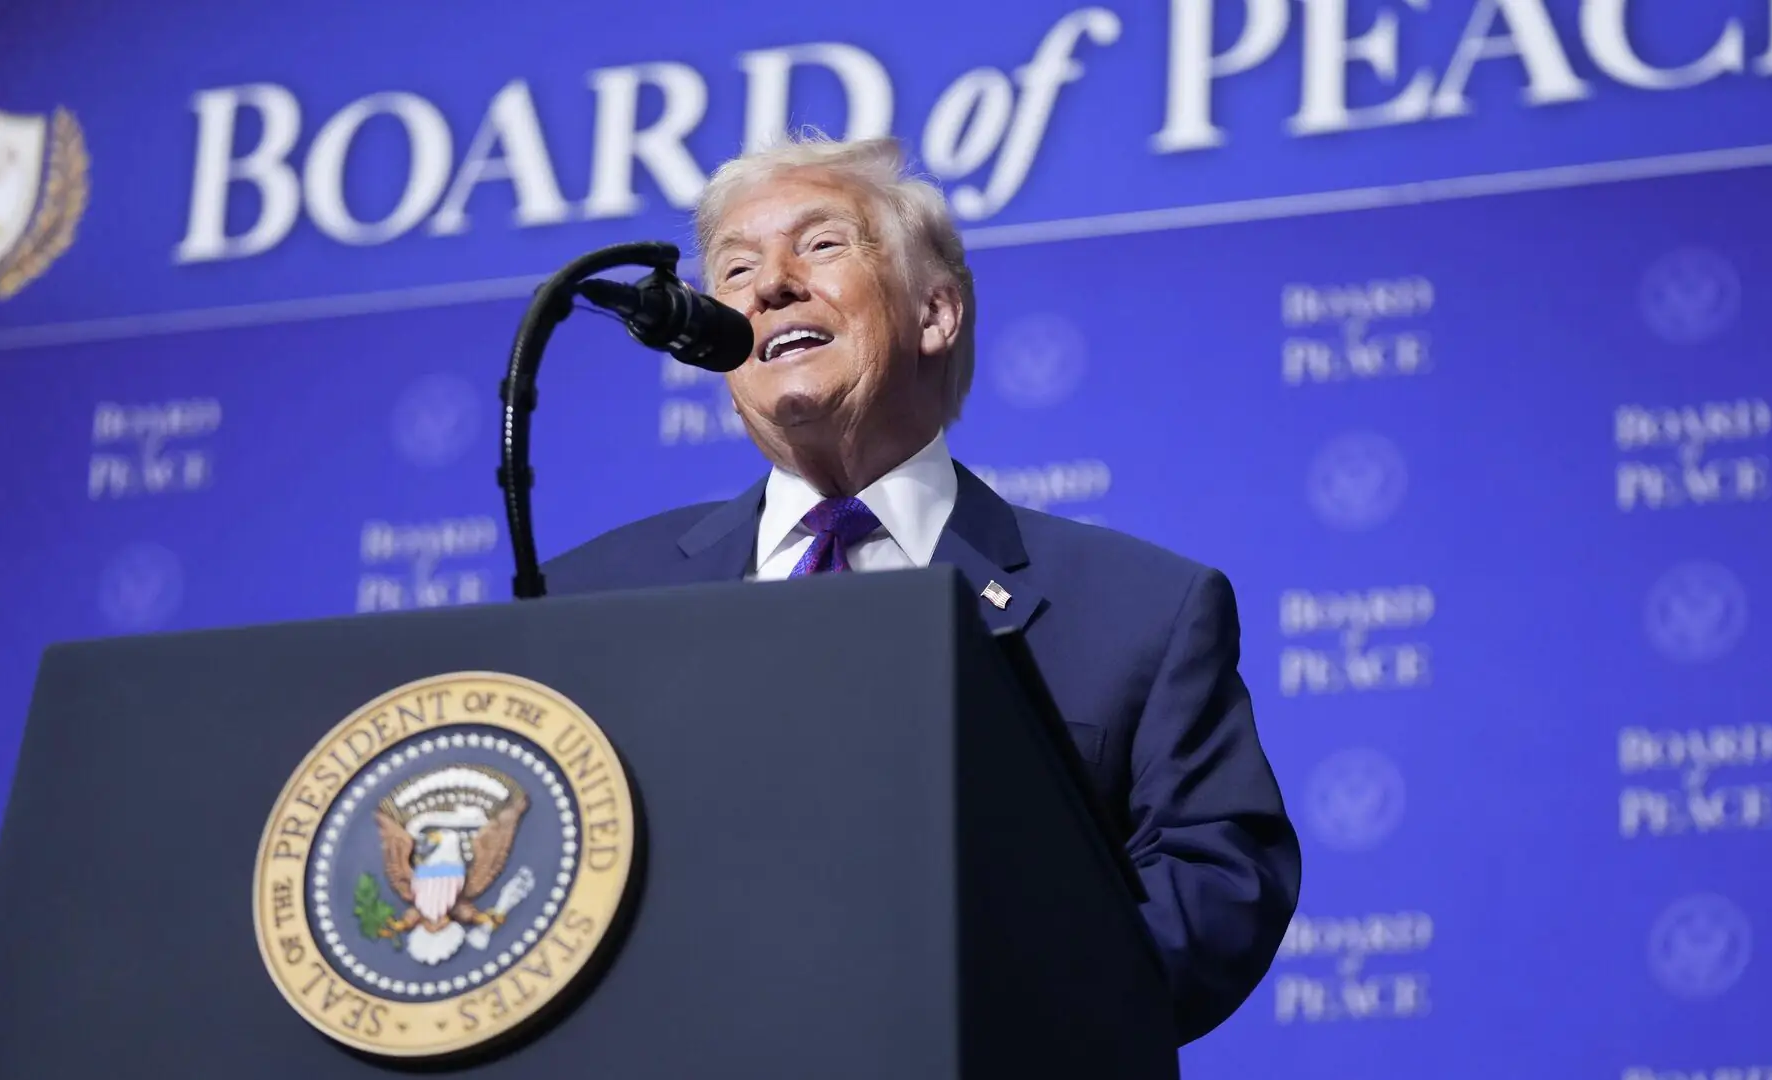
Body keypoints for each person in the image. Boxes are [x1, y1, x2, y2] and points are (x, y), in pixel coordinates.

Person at [542, 134, 1300, 1043]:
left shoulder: (1140, 612)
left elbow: (1218, 887)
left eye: (821, 245)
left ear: (935, 313)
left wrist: (964, 997)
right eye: (734, 269)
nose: (769, 284)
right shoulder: (584, 601)